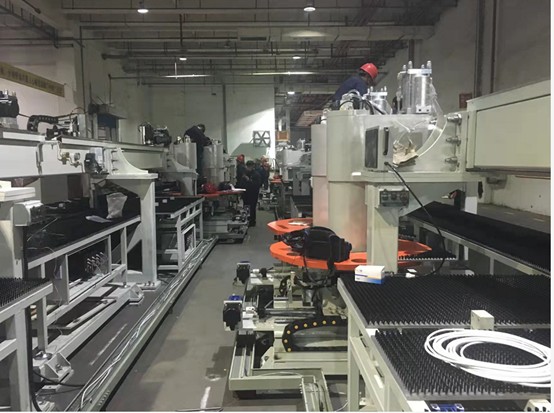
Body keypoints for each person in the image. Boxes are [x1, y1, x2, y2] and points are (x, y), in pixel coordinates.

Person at [238, 160, 261, 227]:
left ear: (253, 166)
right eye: (248, 166)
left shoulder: (256, 174)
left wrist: (249, 180)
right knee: (246, 207)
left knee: (252, 207)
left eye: (250, 166)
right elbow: (241, 183)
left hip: (253, 194)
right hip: (246, 194)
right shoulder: (245, 174)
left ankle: (252, 221)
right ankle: (246, 220)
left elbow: (257, 185)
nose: (248, 168)